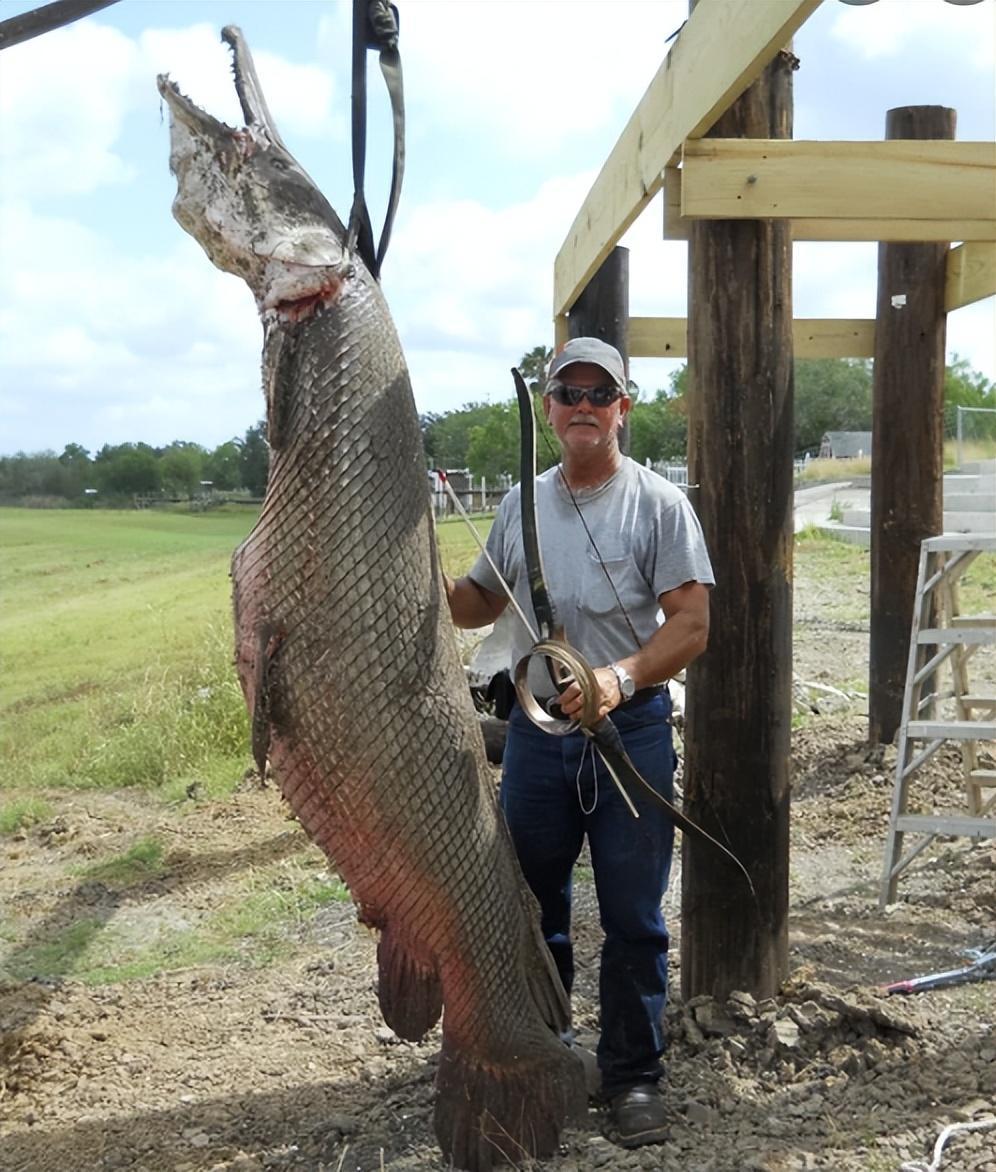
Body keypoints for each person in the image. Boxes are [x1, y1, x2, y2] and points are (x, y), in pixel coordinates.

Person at [444, 336, 714, 1149]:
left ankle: (633, 1076)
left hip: (628, 732)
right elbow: (474, 603)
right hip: (536, 737)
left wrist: (619, 679)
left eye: (602, 392)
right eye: (570, 393)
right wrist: (410, 569)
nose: (585, 406)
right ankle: (547, 1059)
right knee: (532, 907)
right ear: (552, 410)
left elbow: (692, 624)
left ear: (623, 408)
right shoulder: (519, 504)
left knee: (633, 916)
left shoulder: (659, 506)